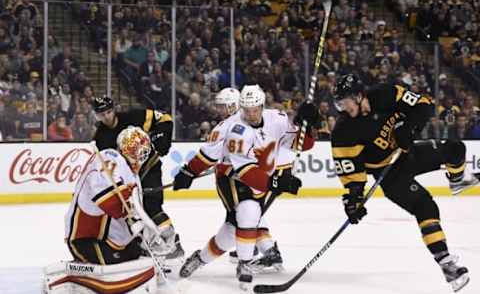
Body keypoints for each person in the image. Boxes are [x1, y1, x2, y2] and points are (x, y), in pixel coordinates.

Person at [330, 74, 479, 292]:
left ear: (359, 95)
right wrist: (353, 200)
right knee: (425, 206)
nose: (342, 108)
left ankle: (458, 180)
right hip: (388, 173)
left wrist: (409, 128)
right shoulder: (344, 131)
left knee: (455, 149)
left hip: (406, 153)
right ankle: (447, 263)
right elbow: (351, 171)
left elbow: (423, 104)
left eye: (345, 102)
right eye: (339, 103)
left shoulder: (385, 94)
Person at [174, 85, 317, 288]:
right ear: (241, 107)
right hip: (231, 176)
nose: (251, 114)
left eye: (255, 109)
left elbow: (301, 144)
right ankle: (245, 263)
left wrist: (307, 126)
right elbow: (233, 166)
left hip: (259, 179)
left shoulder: (277, 118)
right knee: (248, 212)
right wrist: (189, 171)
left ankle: (200, 258)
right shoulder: (234, 129)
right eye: (246, 110)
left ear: (261, 106)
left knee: (232, 230)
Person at [61, 127, 168, 293]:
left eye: (144, 152)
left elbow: (129, 210)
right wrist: (129, 213)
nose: (142, 157)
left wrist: (145, 230)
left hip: (112, 241)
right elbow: (107, 199)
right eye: (139, 151)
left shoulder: (132, 175)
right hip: (86, 239)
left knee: (138, 257)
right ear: (128, 149)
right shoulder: (109, 157)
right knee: (118, 266)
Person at [92, 96, 184, 263]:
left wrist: (160, 140)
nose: (106, 117)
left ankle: (173, 243)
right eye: (101, 114)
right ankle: (144, 246)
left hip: (149, 168)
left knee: (151, 205)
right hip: (128, 177)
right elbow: (107, 165)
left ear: (114, 109)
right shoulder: (101, 137)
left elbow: (165, 118)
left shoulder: (133, 117)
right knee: (129, 213)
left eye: (108, 112)